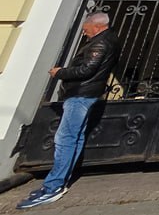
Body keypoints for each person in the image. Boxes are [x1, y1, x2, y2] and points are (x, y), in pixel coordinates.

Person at [18, 12, 120, 210]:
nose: (84, 32)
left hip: (81, 94)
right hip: (88, 94)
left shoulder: (100, 43)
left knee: (65, 139)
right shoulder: (108, 40)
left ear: (97, 26)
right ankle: (60, 181)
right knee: (75, 137)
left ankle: (53, 187)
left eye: (86, 29)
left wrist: (60, 72)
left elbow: (87, 70)